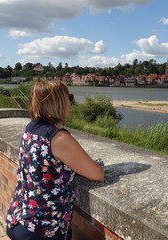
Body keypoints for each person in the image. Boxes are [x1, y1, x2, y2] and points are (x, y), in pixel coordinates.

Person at [6, 80, 105, 240]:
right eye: (69, 98)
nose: (71, 102)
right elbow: (97, 174)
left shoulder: (31, 129)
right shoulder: (59, 138)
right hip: (43, 229)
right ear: (59, 103)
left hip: (18, 218)